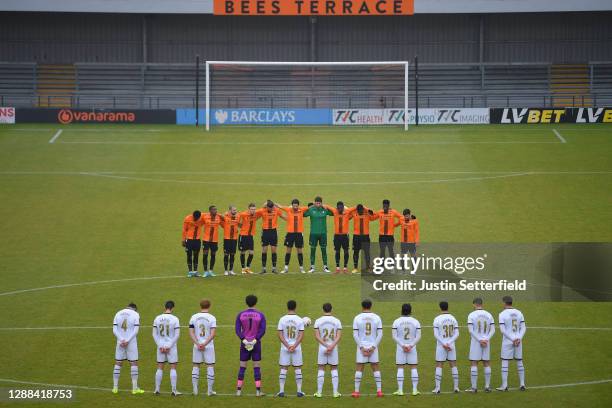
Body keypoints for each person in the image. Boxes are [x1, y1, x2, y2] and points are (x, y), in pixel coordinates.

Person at [235, 294, 267, 397]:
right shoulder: (260, 315)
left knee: (242, 366)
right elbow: (262, 330)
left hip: (244, 344)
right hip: (256, 344)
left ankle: (238, 391)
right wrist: (255, 340)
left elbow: (237, 329)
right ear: (256, 302)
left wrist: (244, 340)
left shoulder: (240, 314)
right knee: (256, 366)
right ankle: (258, 392)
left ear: (246, 302)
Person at [352, 299, 383, 398]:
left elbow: (355, 335)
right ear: (371, 306)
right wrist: (373, 347)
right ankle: (379, 391)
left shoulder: (357, 318)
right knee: (376, 367)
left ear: (362, 306)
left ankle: (356, 392)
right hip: (373, 347)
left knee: (359, 368)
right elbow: (380, 334)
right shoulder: (377, 317)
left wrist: (361, 347)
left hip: (361, 347)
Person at [112, 303, 144, 394]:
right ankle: (134, 389)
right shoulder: (135, 314)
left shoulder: (118, 313)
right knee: (134, 363)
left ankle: (115, 388)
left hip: (120, 342)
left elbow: (114, 330)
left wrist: (122, 340)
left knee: (118, 362)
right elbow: (136, 330)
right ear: (135, 309)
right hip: (131, 342)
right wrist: (127, 340)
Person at [497, 296, 527, 392]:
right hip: (518, 340)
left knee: (505, 362)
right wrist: (519, 338)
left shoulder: (502, 314)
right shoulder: (519, 313)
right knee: (519, 361)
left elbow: (503, 330)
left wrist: (512, 339)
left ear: (504, 303)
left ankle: (504, 386)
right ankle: (522, 384)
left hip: (508, 341)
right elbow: (524, 328)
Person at [276, 300, 305, 397]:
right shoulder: (300, 320)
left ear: (287, 307)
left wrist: (288, 346)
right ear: (295, 307)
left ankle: (281, 391)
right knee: (297, 368)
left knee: (284, 368)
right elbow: (301, 335)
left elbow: (279, 334)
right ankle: (299, 391)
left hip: (285, 348)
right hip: (296, 348)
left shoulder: (282, 319)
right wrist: (294, 345)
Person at [391, 303, 421, 396]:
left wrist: (403, 345)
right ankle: (415, 390)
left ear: (402, 310)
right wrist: (411, 345)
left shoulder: (396, 321)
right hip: (412, 348)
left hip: (400, 348)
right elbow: (418, 336)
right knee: (413, 367)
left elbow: (394, 336)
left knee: (400, 367)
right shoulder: (416, 321)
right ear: (410, 310)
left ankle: (400, 390)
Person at [313, 303, 343, 398]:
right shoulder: (337, 321)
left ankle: (319, 392)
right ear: (331, 309)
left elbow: (317, 336)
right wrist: (331, 346)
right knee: (334, 368)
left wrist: (326, 346)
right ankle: (335, 393)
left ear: (323, 309)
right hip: (333, 348)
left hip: (322, 347)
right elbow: (338, 336)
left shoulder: (318, 321)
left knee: (321, 368)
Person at [466, 297, 495, 393]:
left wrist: (480, 340)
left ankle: (474, 388)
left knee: (474, 363)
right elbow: (493, 330)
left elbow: (471, 330)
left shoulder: (471, 315)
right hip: (486, 342)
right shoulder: (489, 314)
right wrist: (486, 340)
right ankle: (487, 387)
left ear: (474, 304)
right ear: (482, 304)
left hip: (476, 342)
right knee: (486, 363)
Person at [189, 299, 217, 396]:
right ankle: (209, 391)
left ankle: (195, 390)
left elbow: (191, 332)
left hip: (197, 346)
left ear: (200, 306)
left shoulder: (193, 317)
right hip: (208, 346)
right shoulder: (212, 318)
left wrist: (197, 343)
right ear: (209, 306)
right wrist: (204, 344)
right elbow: (213, 334)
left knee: (196, 365)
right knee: (210, 366)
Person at [153, 301, 181, 396]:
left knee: (160, 366)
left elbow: (154, 334)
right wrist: (168, 346)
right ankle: (174, 390)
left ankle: (157, 389)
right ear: (173, 308)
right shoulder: (175, 319)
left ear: (164, 307)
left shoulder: (157, 318)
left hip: (160, 346)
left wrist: (160, 346)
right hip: (171, 347)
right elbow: (177, 335)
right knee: (173, 367)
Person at [432, 301, 460, 394]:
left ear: (440, 308)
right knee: (453, 364)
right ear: (448, 307)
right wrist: (449, 343)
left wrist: (444, 343)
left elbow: (436, 334)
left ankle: (438, 388)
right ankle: (456, 387)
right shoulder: (453, 318)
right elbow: (457, 333)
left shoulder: (437, 319)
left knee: (439, 365)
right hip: (451, 345)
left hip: (441, 345)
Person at [277, 199, 308, 273]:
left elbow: (310, 207)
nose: (295, 207)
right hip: (290, 234)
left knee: (299, 251)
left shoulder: (302, 209)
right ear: (292, 205)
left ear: (298, 205)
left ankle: (301, 268)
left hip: (299, 233)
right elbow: (279, 206)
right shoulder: (288, 209)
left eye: (296, 206)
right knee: (288, 250)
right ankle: (286, 268)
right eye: (294, 205)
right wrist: (271, 203)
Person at [304, 196, 333, 273]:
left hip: (323, 234)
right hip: (313, 234)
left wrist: (326, 207)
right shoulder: (311, 210)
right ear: (314, 202)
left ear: (321, 203)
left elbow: (334, 213)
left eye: (319, 203)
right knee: (312, 250)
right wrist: (309, 207)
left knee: (324, 250)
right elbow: (303, 214)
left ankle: (325, 267)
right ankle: (312, 267)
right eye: (316, 203)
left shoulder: (325, 210)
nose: (318, 204)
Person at [324, 201, 354, 274]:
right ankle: (337, 268)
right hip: (337, 236)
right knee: (337, 251)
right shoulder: (334, 211)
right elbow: (327, 206)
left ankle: (345, 268)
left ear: (343, 207)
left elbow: (356, 207)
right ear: (337, 208)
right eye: (339, 208)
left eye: (341, 207)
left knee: (346, 251)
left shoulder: (347, 211)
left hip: (345, 236)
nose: (340, 209)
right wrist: (324, 206)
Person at [259, 200, 286, 274]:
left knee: (274, 250)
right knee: (264, 250)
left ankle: (274, 268)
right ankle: (263, 268)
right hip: (265, 232)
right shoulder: (262, 210)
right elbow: (255, 212)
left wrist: (291, 219)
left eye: (272, 207)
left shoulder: (276, 210)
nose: (271, 209)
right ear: (267, 207)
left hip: (273, 232)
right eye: (269, 208)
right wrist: (264, 205)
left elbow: (284, 217)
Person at [351, 204, 378, 273]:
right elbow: (347, 213)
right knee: (356, 252)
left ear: (363, 210)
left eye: (361, 210)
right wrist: (355, 207)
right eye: (358, 210)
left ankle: (368, 267)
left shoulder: (367, 214)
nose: (360, 212)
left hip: (365, 236)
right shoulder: (354, 214)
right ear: (357, 210)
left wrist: (366, 208)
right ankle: (355, 268)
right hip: (356, 236)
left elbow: (374, 215)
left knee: (367, 252)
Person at [201, 206, 225, 277]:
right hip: (206, 239)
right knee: (205, 254)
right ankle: (205, 271)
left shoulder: (218, 217)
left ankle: (211, 271)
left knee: (213, 254)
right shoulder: (205, 217)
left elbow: (224, 225)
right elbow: (199, 222)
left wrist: (223, 217)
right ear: (210, 211)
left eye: (216, 209)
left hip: (214, 240)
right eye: (214, 210)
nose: (215, 211)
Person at [238, 203, 261, 274]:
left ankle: (247, 268)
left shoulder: (255, 214)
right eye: (251, 209)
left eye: (254, 209)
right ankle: (243, 268)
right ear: (248, 209)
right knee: (243, 252)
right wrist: (242, 226)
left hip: (250, 236)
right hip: (243, 236)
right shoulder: (243, 214)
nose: (253, 211)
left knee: (251, 253)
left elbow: (262, 209)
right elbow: (237, 220)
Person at [182, 210, 204, 277]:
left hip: (197, 240)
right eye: (195, 218)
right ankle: (190, 271)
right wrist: (183, 240)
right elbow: (184, 229)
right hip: (189, 240)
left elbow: (209, 214)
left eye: (197, 218)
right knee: (189, 255)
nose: (196, 219)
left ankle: (195, 271)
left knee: (196, 255)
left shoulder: (202, 217)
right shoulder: (187, 218)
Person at [222, 205, 240, 276]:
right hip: (227, 239)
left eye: (235, 210)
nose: (235, 211)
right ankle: (226, 270)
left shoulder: (238, 217)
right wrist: (225, 213)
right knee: (226, 254)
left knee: (232, 254)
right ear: (229, 211)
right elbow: (221, 217)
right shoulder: (226, 216)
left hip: (234, 239)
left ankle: (231, 270)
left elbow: (239, 224)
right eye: (233, 210)